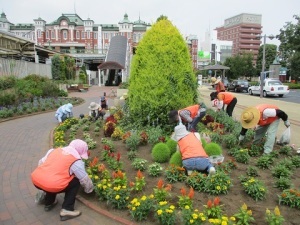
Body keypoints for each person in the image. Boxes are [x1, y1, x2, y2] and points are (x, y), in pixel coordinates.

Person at [31, 139, 94, 221]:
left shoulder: (53, 151)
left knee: (53, 177)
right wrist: (89, 190)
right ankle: (67, 209)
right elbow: (84, 179)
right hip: (51, 184)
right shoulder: (75, 161)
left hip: (37, 180)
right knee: (75, 181)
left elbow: (41, 163)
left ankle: (49, 202)